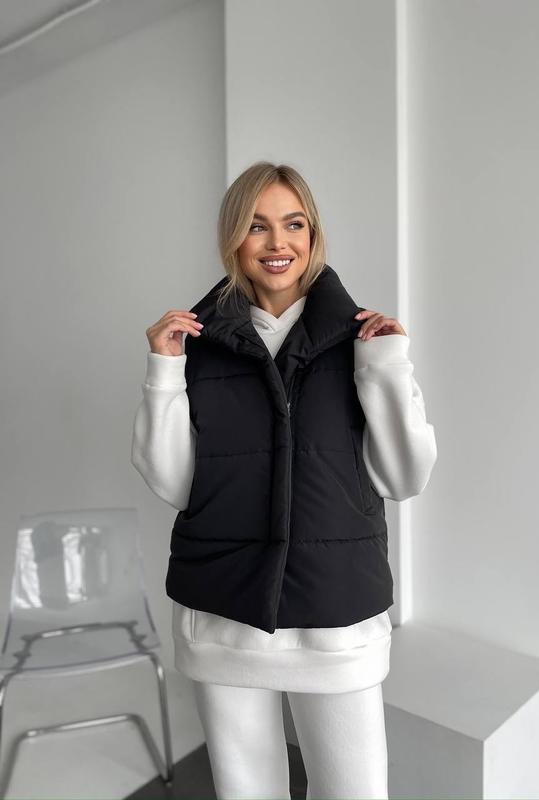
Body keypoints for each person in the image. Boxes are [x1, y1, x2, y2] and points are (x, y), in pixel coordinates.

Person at [131, 161, 437, 799]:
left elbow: (403, 477)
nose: (278, 243)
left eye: (293, 224)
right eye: (257, 226)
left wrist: (386, 367)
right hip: (224, 612)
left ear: (313, 233)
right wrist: (164, 373)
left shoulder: (363, 338)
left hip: (335, 614)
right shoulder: (197, 345)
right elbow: (177, 485)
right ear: (233, 237)